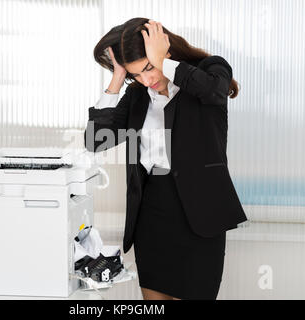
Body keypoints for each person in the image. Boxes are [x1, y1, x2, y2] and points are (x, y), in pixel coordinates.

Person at [84, 17, 247, 300]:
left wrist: (164, 63)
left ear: (165, 50)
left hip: (200, 212)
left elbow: (215, 91)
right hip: (152, 213)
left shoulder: (209, 71)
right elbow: (95, 141)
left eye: (149, 67)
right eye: (137, 74)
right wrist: (117, 80)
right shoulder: (138, 95)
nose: (148, 79)